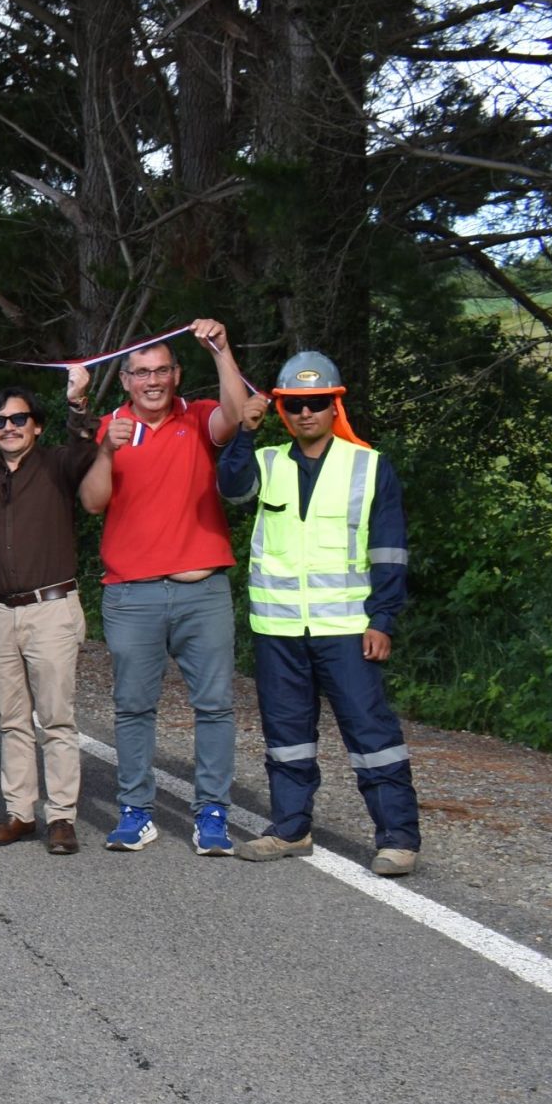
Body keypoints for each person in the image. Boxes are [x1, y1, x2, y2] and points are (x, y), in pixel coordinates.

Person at [218, 350, 421, 877]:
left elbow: (390, 551)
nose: (306, 413)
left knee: (371, 736)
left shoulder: (369, 466)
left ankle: (397, 837)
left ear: (335, 406)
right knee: (286, 736)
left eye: (316, 403)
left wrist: (383, 619)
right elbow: (231, 490)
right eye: (295, 404)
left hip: (348, 629)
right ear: (283, 409)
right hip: (278, 630)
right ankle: (290, 828)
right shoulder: (265, 462)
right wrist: (245, 430)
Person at [78, 319, 252, 856]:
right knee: (133, 707)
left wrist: (222, 350)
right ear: (126, 379)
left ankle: (213, 814)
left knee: (216, 705)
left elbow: (240, 413)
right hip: (132, 593)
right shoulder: (110, 426)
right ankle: (136, 811)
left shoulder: (198, 417)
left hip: (202, 591)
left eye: (161, 371)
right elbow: (91, 502)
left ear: (177, 375)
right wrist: (106, 450)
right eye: (141, 372)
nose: (152, 380)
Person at [0, 371, 99, 855]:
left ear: (37, 425)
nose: (9, 427)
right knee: (12, 719)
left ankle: (61, 817)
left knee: (57, 718)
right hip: (0, 612)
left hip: (52, 608)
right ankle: (19, 812)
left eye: (19, 419)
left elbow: (86, 445)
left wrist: (77, 401)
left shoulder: (58, 464)